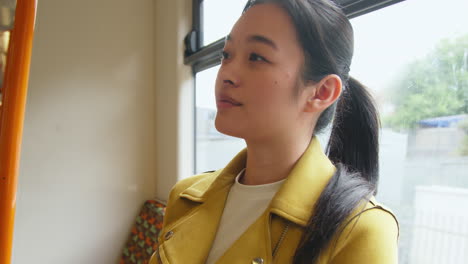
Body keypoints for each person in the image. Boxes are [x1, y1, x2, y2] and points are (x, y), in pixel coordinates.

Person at [150, 0, 399, 263]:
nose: (227, 74)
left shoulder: (360, 230)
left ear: (322, 92)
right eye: (226, 55)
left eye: (256, 57)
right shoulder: (186, 196)